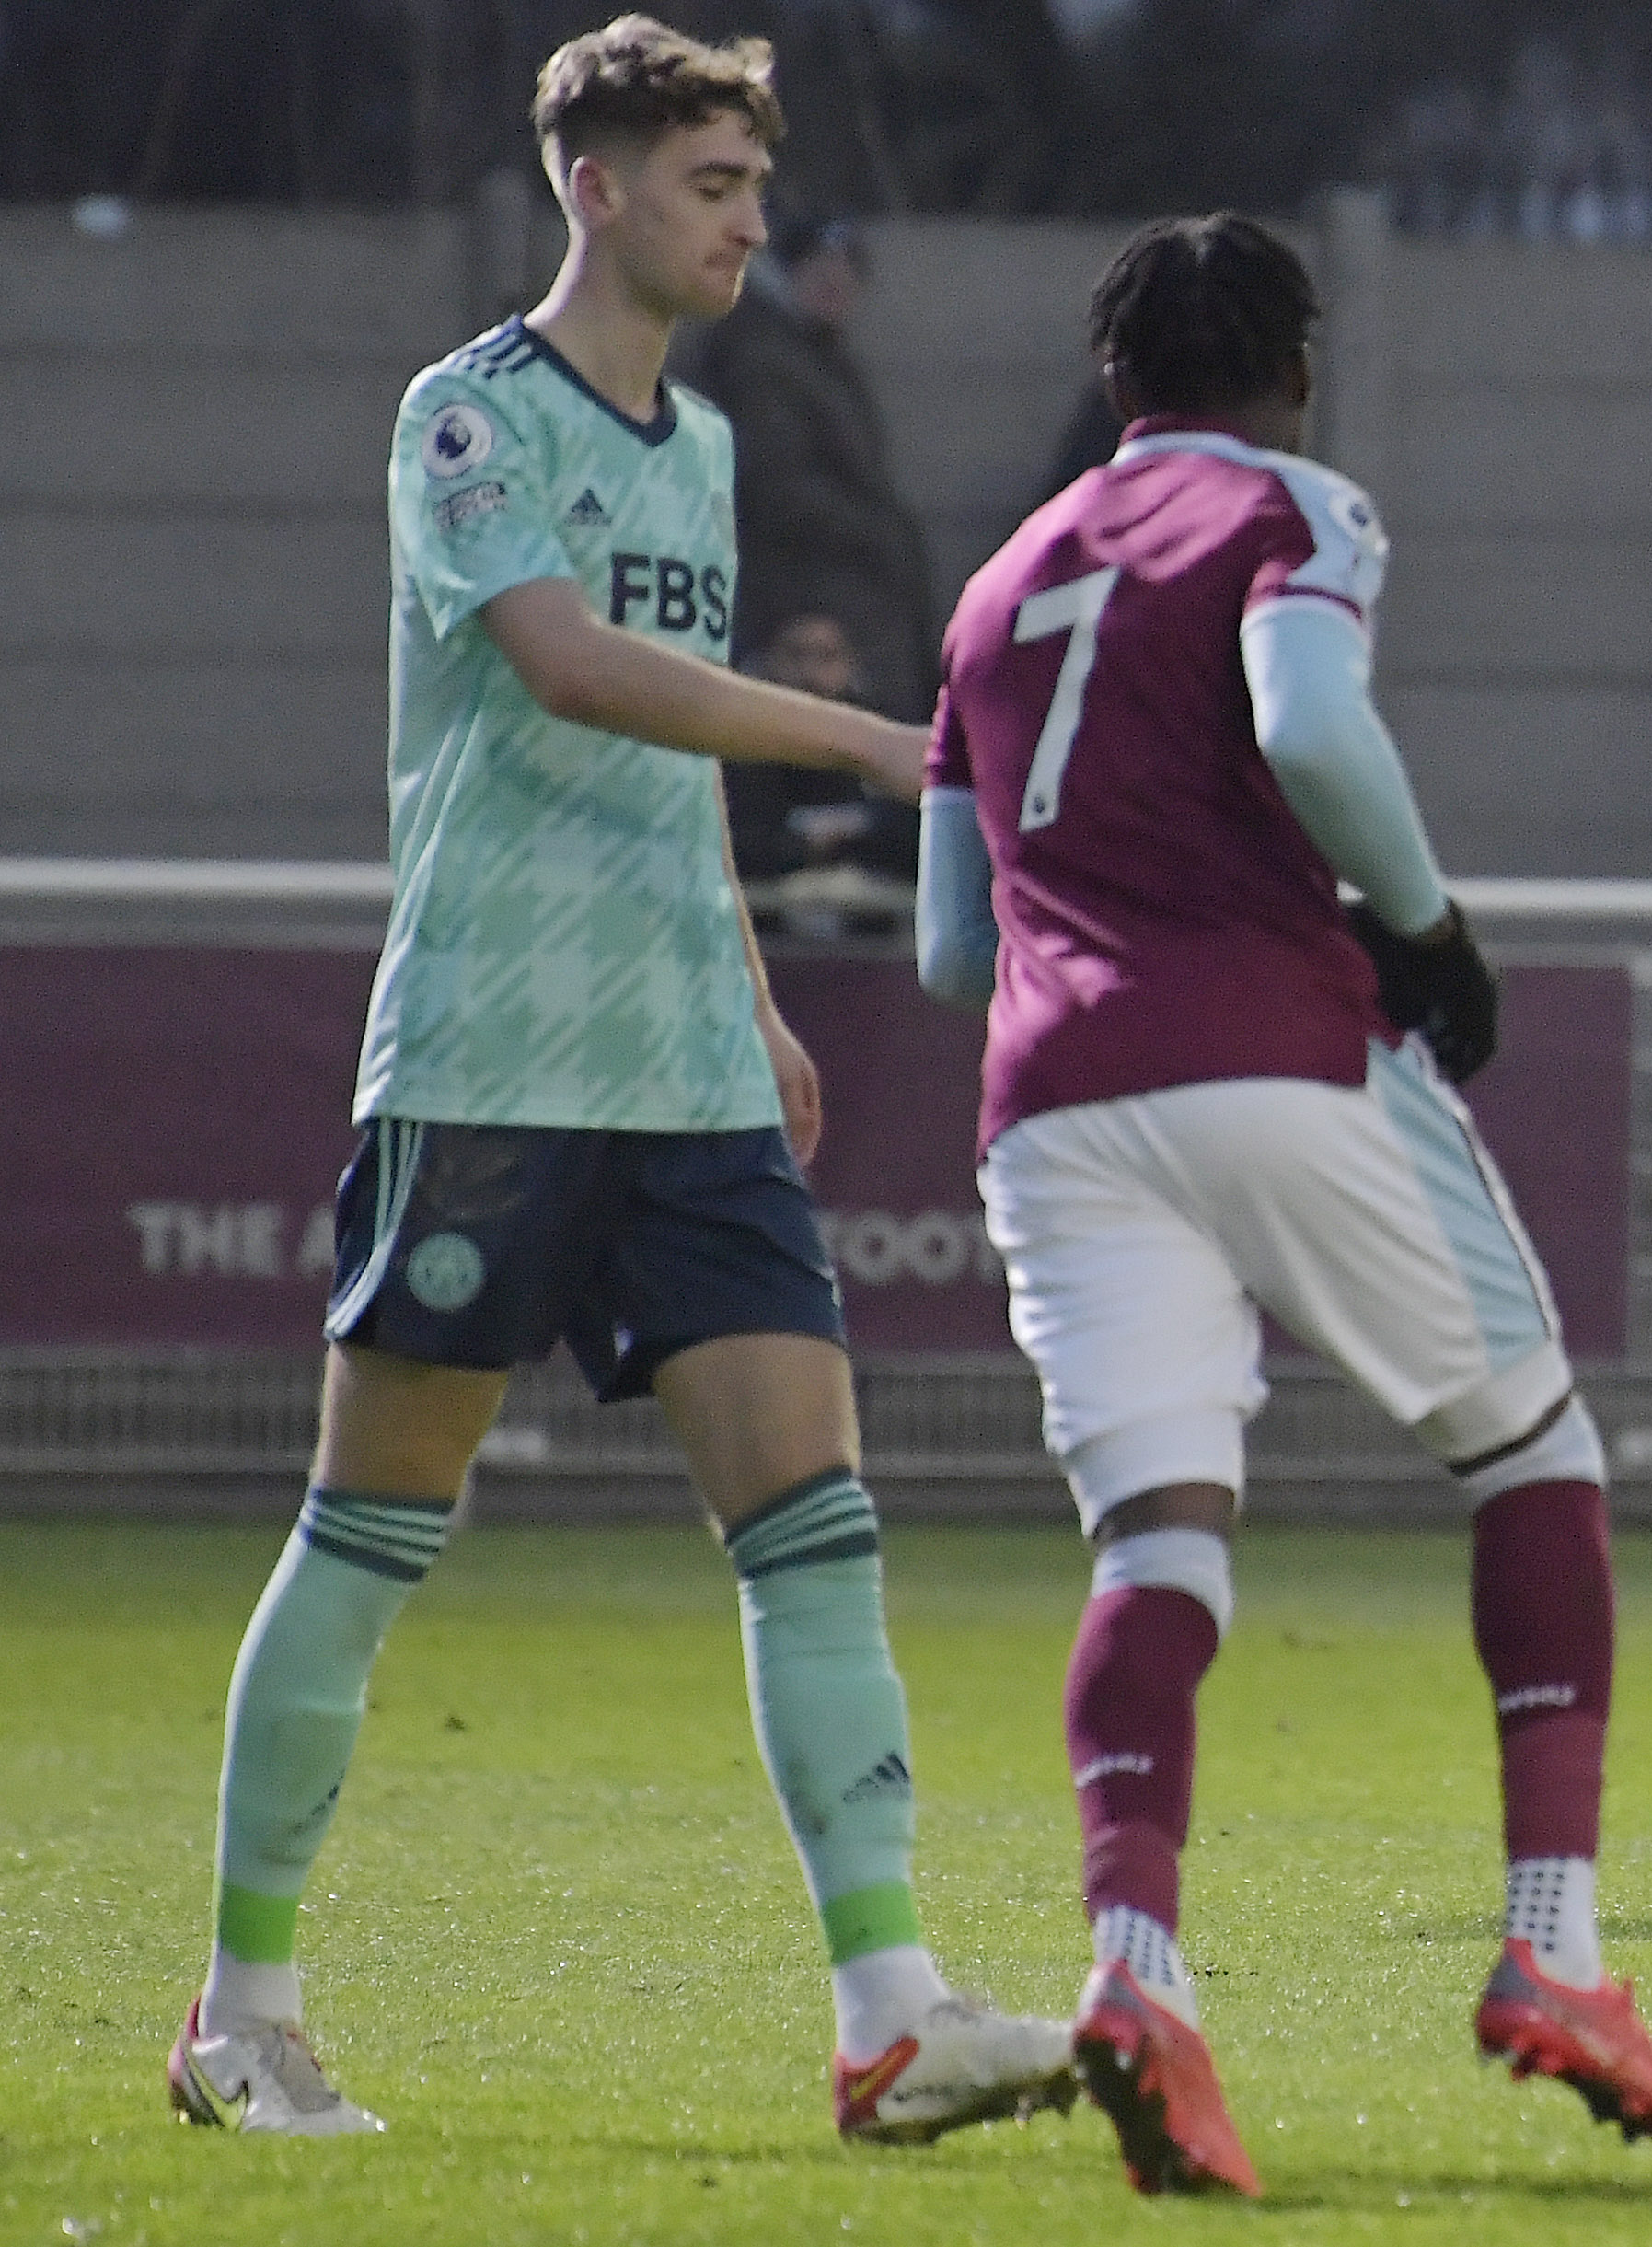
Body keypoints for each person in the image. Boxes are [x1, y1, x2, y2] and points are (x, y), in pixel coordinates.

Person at [165, 17, 1071, 2144]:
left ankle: (889, 2007)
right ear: (595, 183)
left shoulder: (709, 444)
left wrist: (747, 987)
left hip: (685, 1068)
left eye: (754, 187)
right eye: (713, 185)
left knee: (816, 1522)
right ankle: (239, 2011)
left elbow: (654, 752)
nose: (750, 222)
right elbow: (567, 665)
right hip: (495, 1047)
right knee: (372, 1531)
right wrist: (874, 742)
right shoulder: (468, 416)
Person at [916, 212, 1652, 2199]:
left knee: (1157, 1537)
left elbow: (951, 941)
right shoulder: (1291, 502)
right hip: (1275, 1044)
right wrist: (1428, 932)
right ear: (1296, 365)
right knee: (1534, 1446)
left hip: (1047, 1102)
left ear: (1113, 381)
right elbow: (1306, 720)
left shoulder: (994, 583)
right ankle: (1558, 1943)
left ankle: (1139, 1972)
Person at [681, 211, 940, 722]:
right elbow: (776, 491)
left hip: (837, 585)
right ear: (786, 271)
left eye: (849, 271)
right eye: (822, 268)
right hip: (803, 598)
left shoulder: (816, 355)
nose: (838, 284)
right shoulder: (763, 361)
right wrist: (880, 536)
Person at [725, 610, 922, 900]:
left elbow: (910, 837)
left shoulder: (881, 734)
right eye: (796, 655)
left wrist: (853, 832)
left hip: (874, 926)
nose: (810, 672)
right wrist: (799, 843)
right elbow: (738, 841)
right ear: (769, 661)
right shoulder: (739, 745)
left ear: (850, 664)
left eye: (826, 656)